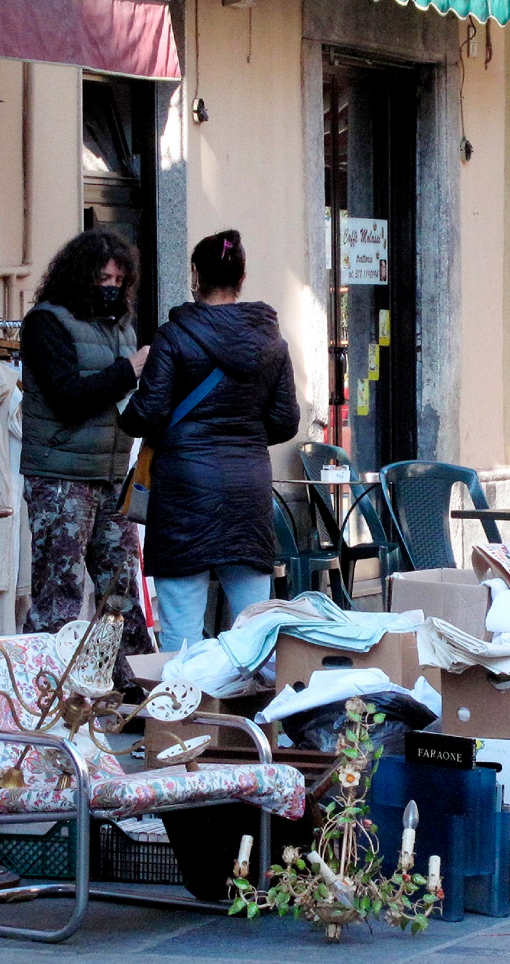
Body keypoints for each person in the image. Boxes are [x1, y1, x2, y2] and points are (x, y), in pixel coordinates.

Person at [120, 230, 300, 651]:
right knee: (255, 632)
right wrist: (243, 435)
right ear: (242, 277)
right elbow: (286, 420)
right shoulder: (271, 340)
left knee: (181, 630)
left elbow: (146, 414)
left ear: (195, 274)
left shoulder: (174, 336)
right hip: (248, 488)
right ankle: (253, 714)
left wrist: (124, 412)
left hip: (184, 490)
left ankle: (182, 714)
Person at [20, 230, 154, 671]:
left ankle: (127, 689)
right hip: (61, 478)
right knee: (58, 594)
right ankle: (43, 692)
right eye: (103, 277)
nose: (111, 285)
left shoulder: (121, 328)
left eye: (119, 277)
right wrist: (128, 369)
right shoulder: (47, 322)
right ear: (81, 277)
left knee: (122, 592)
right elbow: (66, 396)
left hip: (112, 474)